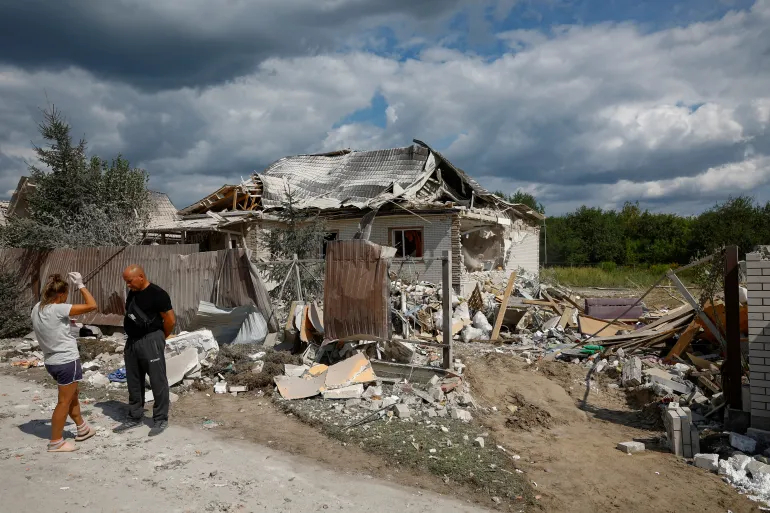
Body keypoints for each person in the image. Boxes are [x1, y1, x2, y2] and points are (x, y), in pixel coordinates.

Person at [31, 272, 98, 452]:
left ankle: (82, 429)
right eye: (66, 294)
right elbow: (92, 305)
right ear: (60, 295)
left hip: (51, 361)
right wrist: (81, 285)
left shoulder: (37, 308)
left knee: (72, 395)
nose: (67, 298)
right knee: (64, 401)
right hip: (67, 360)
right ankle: (56, 442)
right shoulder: (58, 309)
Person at [113, 265, 176, 437]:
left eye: (130, 281)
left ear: (141, 276)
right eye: (126, 282)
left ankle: (160, 418)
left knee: (157, 380)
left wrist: (160, 337)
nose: (128, 285)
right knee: (133, 379)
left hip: (151, 340)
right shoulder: (133, 293)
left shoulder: (158, 294)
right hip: (132, 342)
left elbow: (170, 320)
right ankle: (135, 416)